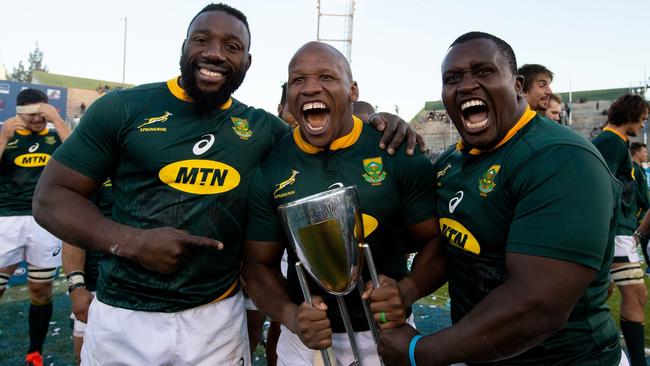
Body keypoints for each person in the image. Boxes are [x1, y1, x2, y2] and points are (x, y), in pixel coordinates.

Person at [31, 4, 421, 365]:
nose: (215, 53)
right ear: (184, 47)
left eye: (232, 46)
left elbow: (326, 134)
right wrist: (132, 242)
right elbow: (50, 198)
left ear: (247, 62)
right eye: (202, 40)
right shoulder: (123, 109)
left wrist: (381, 123)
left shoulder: (261, 129)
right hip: (123, 316)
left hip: (215, 322)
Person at [379, 31, 624, 365]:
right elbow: (453, 244)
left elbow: (538, 306)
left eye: (483, 71)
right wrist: (406, 291)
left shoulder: (562, 159)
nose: (466, 85)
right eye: (453, 78)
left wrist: (419, 351)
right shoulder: (452, 161)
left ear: (518, 85)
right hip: (484, 354)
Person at [242, 41, 444, 366]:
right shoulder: (271, 166)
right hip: (306, 341)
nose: (310, 88)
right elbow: (257, 264)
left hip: (388, 332)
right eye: (297, 80)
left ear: (352, 91)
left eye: (326, 77)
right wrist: (293, 317)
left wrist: (407, 291)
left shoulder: (396, 152)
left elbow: (435, 241)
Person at [0, 88, 71, 366]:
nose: (37, 119)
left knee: (40, 290)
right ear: (19, 114)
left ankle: (34, 353)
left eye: (42, 112)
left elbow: (84, 155)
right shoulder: (7, 134)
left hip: (44, 219)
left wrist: (59, 120)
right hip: (6, 218)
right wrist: (4, 135)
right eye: (30, 114)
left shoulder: (56, 136)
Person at [593, 94, 649, 366]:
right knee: (637, 295)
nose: (645, 121)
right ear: (631, 114)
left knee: (601, 292)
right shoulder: (611, 143)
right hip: (615, 235)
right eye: (643, 116)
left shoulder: (615, 142)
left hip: (619, 233)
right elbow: (601, 191)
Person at [62, 179, 112, 366]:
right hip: (97, 286)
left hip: (149, 286)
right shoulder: (96, 166)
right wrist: (76, 287)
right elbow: (73, 230)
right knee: (86, 358)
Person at [630, 142, 650, 276]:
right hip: (639, 212)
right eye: (644, 151)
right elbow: (635, 191)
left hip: (643, 210)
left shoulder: (640, 168)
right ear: (636, 152)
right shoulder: (634, 169)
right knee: (643, 236)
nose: (646, 154)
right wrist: (644, 206)